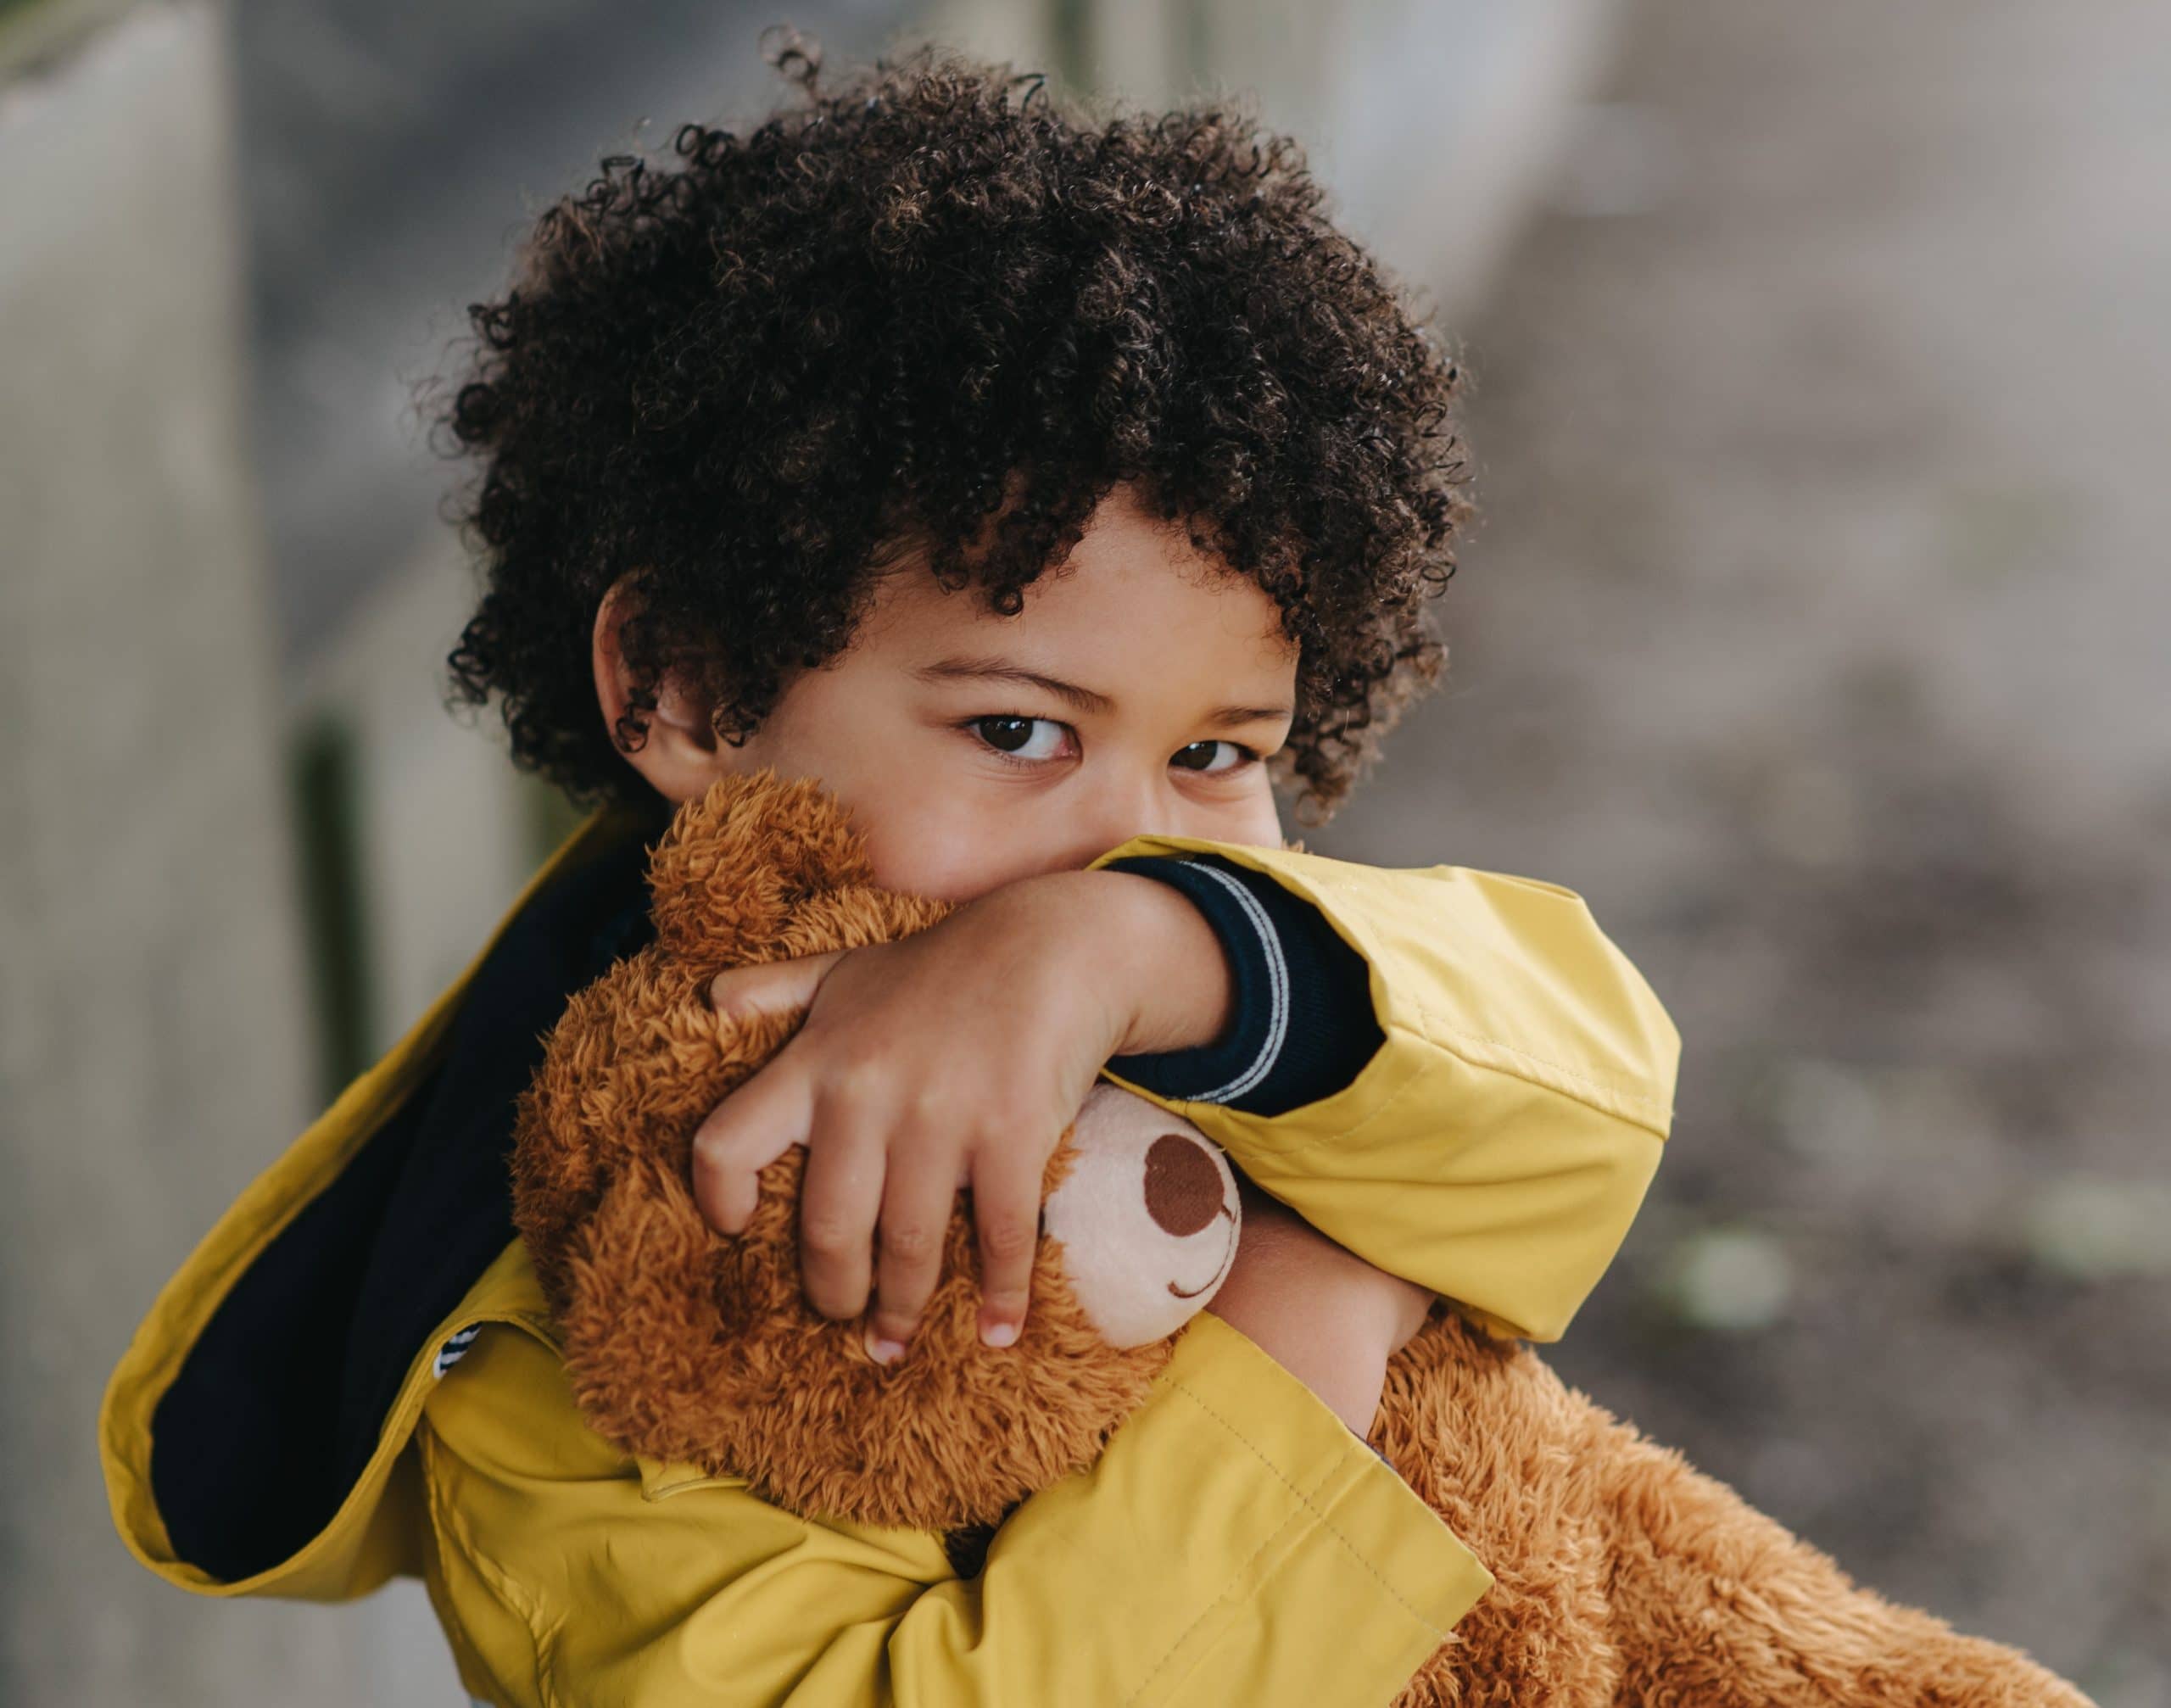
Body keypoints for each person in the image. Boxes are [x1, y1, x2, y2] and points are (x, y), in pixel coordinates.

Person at [102, 38, 1680, 1706]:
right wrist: (1303, 1314)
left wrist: (1122, 949)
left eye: (1215, 752)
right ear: (690, 686)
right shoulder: (602, 1306)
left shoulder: (1204, 978)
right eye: (1016, 728)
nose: (1132, 840)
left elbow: (1588, 1079)